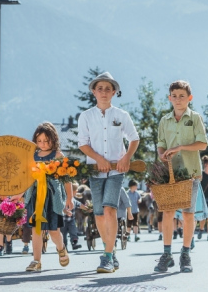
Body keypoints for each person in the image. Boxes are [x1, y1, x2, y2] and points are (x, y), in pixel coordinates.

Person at [77, 71, 140, 273]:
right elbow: (82, 144)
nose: (103, 92)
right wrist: (99, 159)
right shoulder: (86, 116)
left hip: (116, 171)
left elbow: (134, 138)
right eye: (100, 88)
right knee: (98, 214)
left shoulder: (122, 115)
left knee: (109, 209)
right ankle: (110, 251)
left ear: (114, 92)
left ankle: (106, 257)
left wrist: (126, 158)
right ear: (94, 92)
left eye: (108, 89)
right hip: (95, 171)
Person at [154, 80, 208, 273]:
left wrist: (180, 147)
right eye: (174, 96)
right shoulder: (164, 120)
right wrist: (162, 154)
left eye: (182, 96)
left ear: (189, 98)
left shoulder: (195, 118)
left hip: (190, 172)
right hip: (170, 174)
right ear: (170, 98)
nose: (178, 99)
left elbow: (203, 144)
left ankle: (185, 254)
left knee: (188, 213)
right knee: (168, 212)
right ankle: (167, 254)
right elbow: (161, 143)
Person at [23, 122, 72, 272]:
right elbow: (26, 178)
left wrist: (69, 198)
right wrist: (19, 195)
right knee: (36, 229)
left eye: (46, 140)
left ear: (53, 139)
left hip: (52, 196)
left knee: (53, 230)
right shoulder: (32, 156)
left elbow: (67, 178)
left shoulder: (58, 155)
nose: (43, 144)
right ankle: (36, 260)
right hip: (35, 195)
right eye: (39, 141)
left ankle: (61, 248)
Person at [61, 182, 83, 250]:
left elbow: (79, 204)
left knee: (74, 232)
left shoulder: (73, 199)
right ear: (71, 191)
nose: (77, 192)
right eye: (76, 191)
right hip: (63, 221)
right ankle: (64, 246)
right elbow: (61, 207)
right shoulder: (63, 199)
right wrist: (65, 211)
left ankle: (74, 243)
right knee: (63, 234)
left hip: (71, 220)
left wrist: (87, 208)